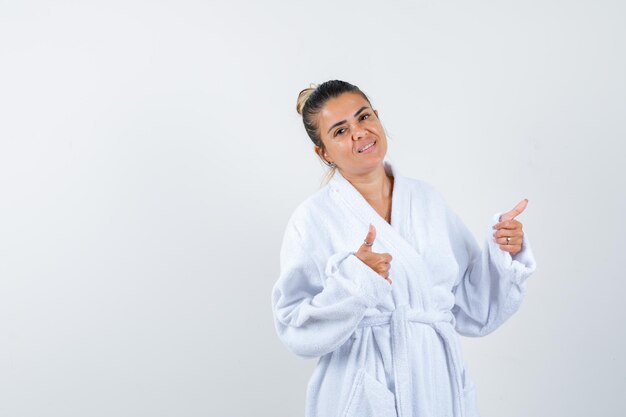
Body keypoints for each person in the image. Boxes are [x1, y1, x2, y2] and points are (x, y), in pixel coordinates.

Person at [270, 80, 537, 417]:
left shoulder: (426, 200)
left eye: (363, 117)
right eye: (340, 131)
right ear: (323, 152)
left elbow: (472, 308)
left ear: (378, 118)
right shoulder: (312, 218)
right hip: (362, 385)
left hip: (437, 382)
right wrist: (355, 282)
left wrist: (502, 250)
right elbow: (294, 327)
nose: (359, 133)